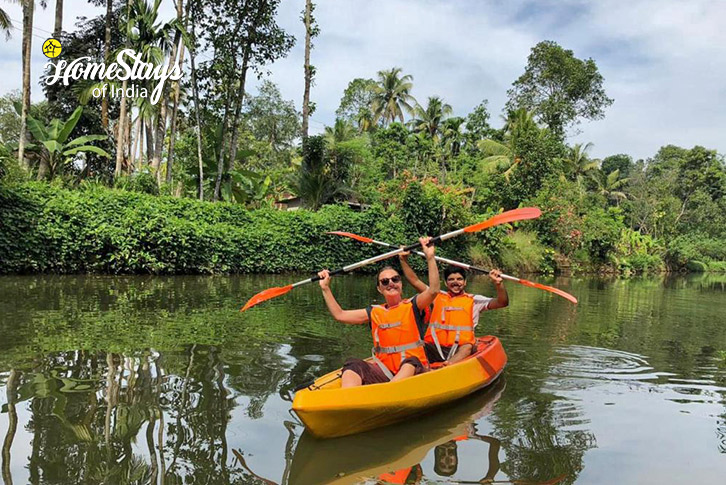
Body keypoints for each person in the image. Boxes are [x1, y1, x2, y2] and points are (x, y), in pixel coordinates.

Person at [317, 237, 440, 388]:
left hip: (414, 369)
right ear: (379, 289)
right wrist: (325, 288)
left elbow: (434, 290)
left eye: (395, 279)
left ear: (401, 284)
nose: (391, 283)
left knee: (411, 361)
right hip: (385, 370)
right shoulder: (374, 312)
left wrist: (430, 256)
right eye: (385, 282)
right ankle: (347, 398)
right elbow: (340, 315)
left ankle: (388, 392)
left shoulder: (414, 305)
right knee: (352, 364)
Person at [399, 254, 508, 364]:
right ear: (446, 283)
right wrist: (403, 260)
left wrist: (499, 284)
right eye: (451, 279)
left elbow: (502, 302)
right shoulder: (436, 296)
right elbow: (415, 281)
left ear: (465, 282)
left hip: (461, 348)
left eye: (459, 279)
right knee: (417, 344)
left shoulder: (475, 300)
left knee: (467, 347)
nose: (455, 282)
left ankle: (448, 365)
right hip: (435, 346)